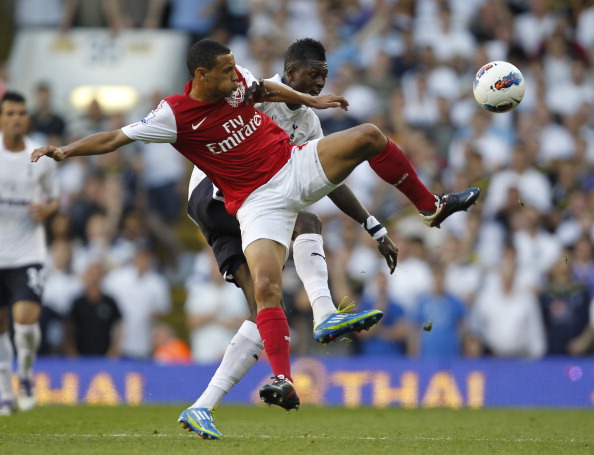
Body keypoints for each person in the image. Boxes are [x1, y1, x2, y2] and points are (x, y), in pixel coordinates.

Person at [30, 38, 479, 423]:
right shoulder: (174, 114)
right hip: (245, 200)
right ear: (202, 74)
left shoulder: (248, 85)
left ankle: (430, 207)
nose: (236, 77)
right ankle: (292, 360)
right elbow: (115, 138)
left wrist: (313, 104)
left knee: (368, 136)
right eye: (226, 71)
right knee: (266, 286)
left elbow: (262, 88)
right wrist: (65, 151)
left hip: (291, 167)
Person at [180, 38, 399, 439]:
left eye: (323, 77)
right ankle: (323, 312)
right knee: (306, 220)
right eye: (313, 75)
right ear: (290, 72)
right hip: (216, 193)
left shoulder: (309, 125)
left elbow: (326, 180)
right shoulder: (257, 94)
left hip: (239, 208)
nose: (318, 83)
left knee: (264, 309)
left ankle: (201, 407)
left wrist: (373, 225)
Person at [0, 92, 59, 415]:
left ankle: (24, 374)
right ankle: (3, 392)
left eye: (21, 113)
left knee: (25, 320)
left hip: (27, 253)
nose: (17, 118)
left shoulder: (40, 156)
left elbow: (55, 199)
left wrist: (46, 210)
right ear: (1, 118)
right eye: (10, 113)